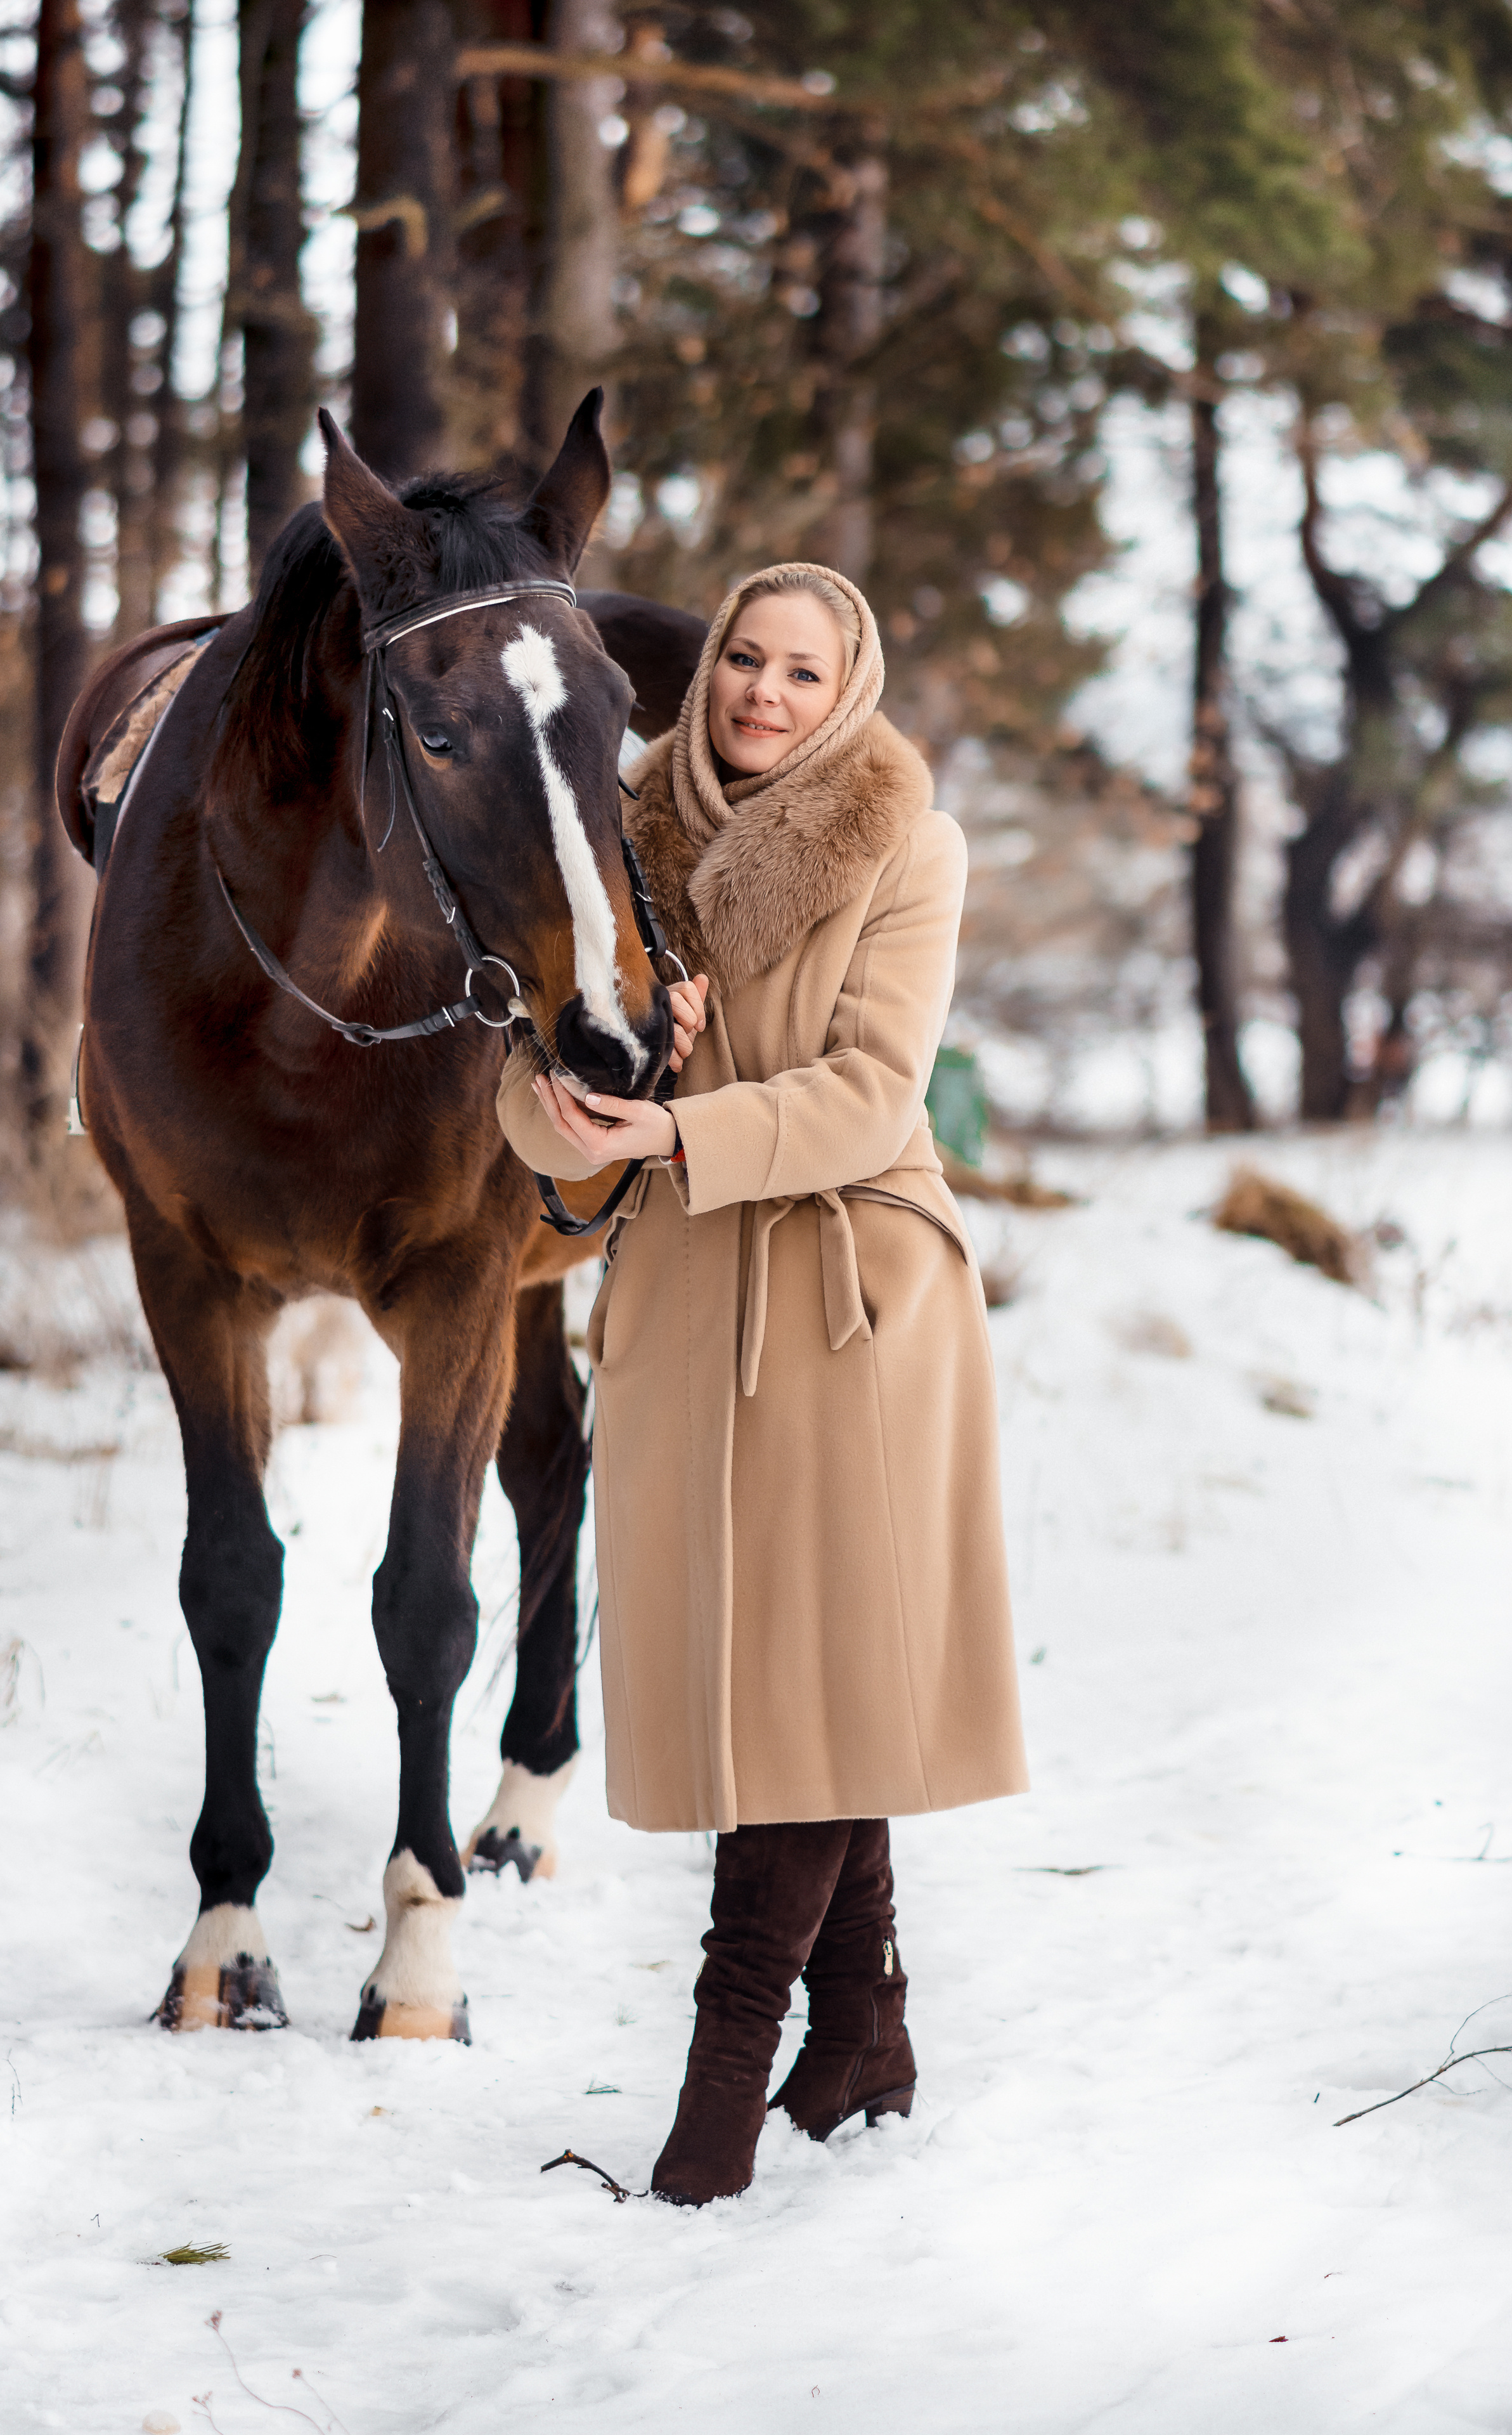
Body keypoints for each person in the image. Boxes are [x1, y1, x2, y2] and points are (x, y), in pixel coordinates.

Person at [496, 561, 1027, 2206]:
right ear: (707, 661)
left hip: (849, 1302)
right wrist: (613, 1091)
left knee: (806, 1691)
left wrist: (679, 1127)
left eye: (805, 672)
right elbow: (531, 1083)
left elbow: (874, 1096)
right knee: (800, 1690)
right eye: (744, 659)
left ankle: (715, 2110)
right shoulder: (619, 838)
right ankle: (867, 2032)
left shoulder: (903, 841)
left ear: (846, 689)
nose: (765, 695)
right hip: (679, 1301)